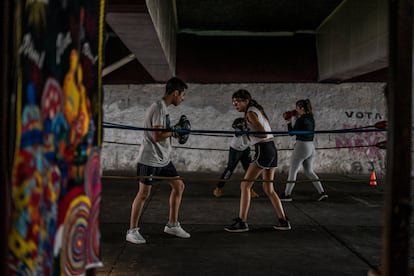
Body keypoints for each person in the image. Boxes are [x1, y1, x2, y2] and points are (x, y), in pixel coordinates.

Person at [126, 77, 191, 244]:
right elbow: (156, 136)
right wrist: (175, 131)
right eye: (182, 95)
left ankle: (172, 225)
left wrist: (173, 130)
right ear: (175, 93)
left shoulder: (163, 108)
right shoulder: (158, 108)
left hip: (162, 158)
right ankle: (132, 231)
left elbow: (162, 132)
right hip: (150, 159)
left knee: (179, 186)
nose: (183, 98)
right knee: (143, 194)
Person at [224, 89, 291, 233]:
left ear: (246, 101)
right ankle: (283, 220)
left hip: (264, 149)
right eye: (233, 102)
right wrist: (246, 131)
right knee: (268, 188)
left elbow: (262, 132)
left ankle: (242, 222)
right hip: (271, 149)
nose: (235, 104)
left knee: (245, 186)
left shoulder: (250, 113)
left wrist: (245, 131)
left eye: (237, 101)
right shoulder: (256, 110)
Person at [279, 99, 328, 202]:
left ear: (301, 108)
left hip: (301, 146)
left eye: (297, 108)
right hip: (310, 146)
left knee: (293, 171)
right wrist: (295, 116)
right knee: (309, 171)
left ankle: (287, 195)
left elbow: (292, 133)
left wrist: (288, 121)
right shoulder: (311, 118)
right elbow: (300, 126)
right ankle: (322, 192)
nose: (295, 110)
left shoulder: (301, 120)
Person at [213, 117, 259, 198]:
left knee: (249, 170)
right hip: (235, 150)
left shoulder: (253, 125)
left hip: (246, 149)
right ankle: (218, 188)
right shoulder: (241, 123)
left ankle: (250, 189)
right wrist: (242, 128)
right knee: (230, 169)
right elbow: (237, 132)